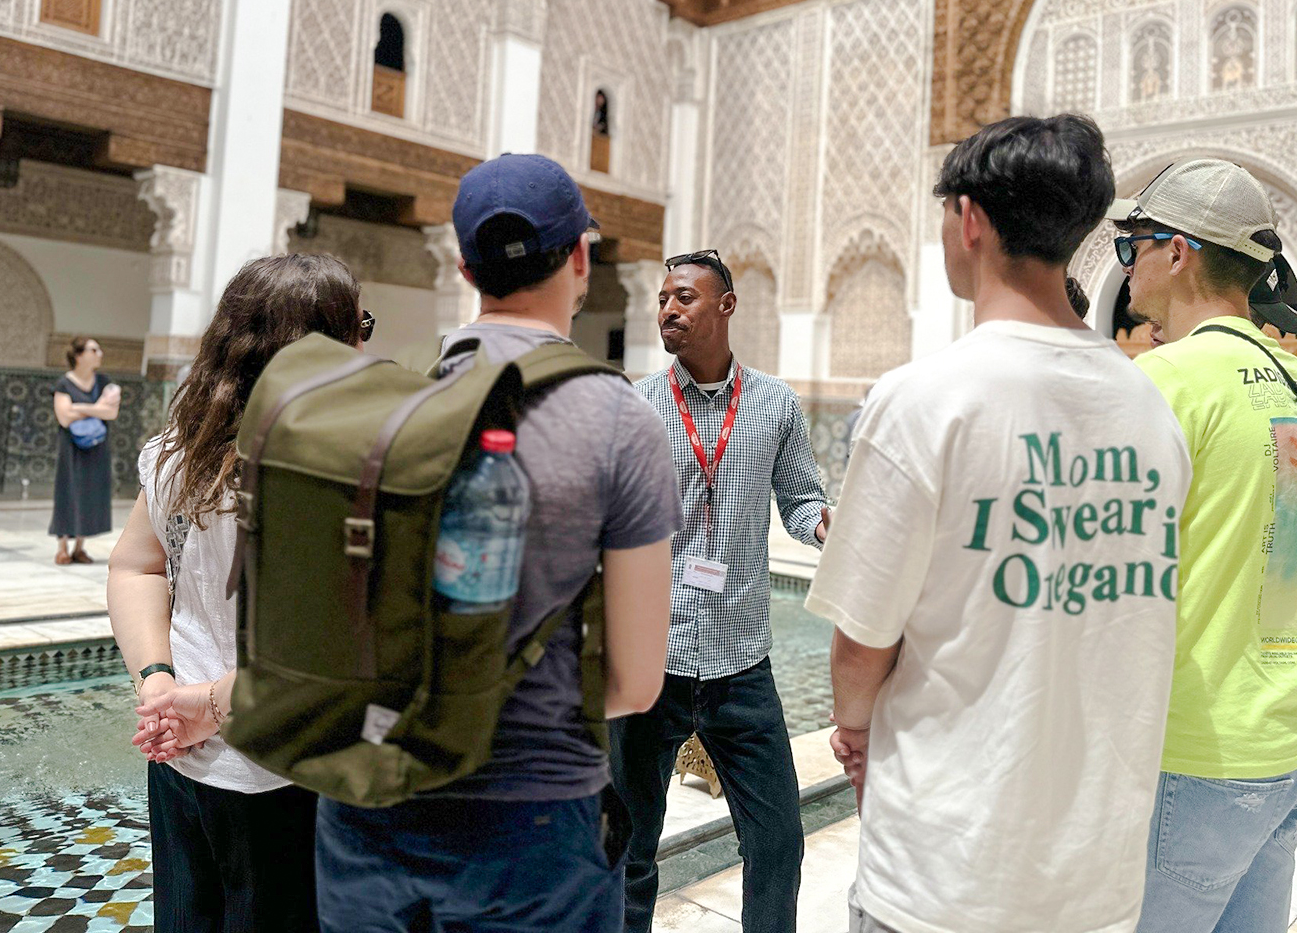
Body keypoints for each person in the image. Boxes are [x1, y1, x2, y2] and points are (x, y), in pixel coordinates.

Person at [805, 114, 1191, 933]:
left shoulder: (924, 400)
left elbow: (861, 642)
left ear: (969, 219)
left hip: (945, 875)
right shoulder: (1151, 409)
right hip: (1094, 878)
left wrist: (855, 732)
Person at [310, 153, 679, 933]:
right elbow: (638, 684)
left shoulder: (373, 406)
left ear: (462, 263)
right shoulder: (623, 425)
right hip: (533, 826)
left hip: (367, 809)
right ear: (581, 256)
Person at [1112, 159, 1297, 932]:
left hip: (1204, 756)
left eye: (1133, 244)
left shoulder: (1168, 381)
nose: (1129, 264)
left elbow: (1108, 579)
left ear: (1177, 250)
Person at [111, 254, 371, 932]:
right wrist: (191, 704)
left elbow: (134, 568)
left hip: (183, 758)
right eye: (360, 327)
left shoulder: (180, 450)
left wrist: (159, 686)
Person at [615, 248, 830, 933]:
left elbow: (799, 499)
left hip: (741, 661)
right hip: (654, 659)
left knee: (778, 842)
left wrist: (825, 522)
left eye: (684, 298)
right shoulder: (640, 403)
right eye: (663, 299)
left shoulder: (774, 404)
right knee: (628, 847)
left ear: (726, 306)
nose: (668, 310)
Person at [52, 336, 119, 564]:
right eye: (93, 349)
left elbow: (111, 413)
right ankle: (62, 546)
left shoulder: (103, 381)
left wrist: (78, 407)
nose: (99, 353)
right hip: (70, 446)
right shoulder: (64, 383)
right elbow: (63, 417)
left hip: (97, 444)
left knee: (90, 491)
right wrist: (96, 408)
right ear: (79, 355)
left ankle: (80, 546)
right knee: (67, 488)